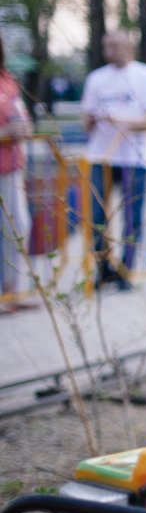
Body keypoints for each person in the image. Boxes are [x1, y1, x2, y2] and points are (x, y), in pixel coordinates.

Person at [81, 30, 146, 291]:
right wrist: (94, 120)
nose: (109, 50)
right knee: (96, 215)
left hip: (134, 157)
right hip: (101, 156)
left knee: (132, 216)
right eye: (106, 45)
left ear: (129, 47)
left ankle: (125, 271)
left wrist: (122, 121)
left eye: (115, 45)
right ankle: (103, 267)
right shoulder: (96, 78)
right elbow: (86, 121)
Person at [0, 34, 34, 314]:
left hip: (11, 169)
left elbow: (21, 117)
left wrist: (23, 127)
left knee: (17, 228)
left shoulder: (7, 79)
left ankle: (12, 293)